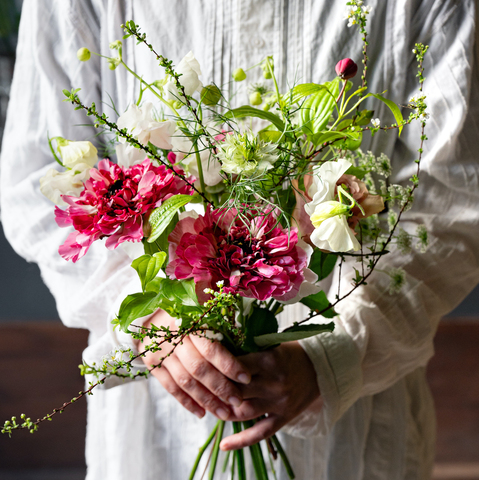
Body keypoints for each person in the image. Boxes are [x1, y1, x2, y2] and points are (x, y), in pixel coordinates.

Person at [1, 0, 479, 479]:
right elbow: (38, 181)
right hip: (159, 422)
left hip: (353, 425)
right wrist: (152, 317)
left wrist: (333, 360)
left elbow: (454, 203)